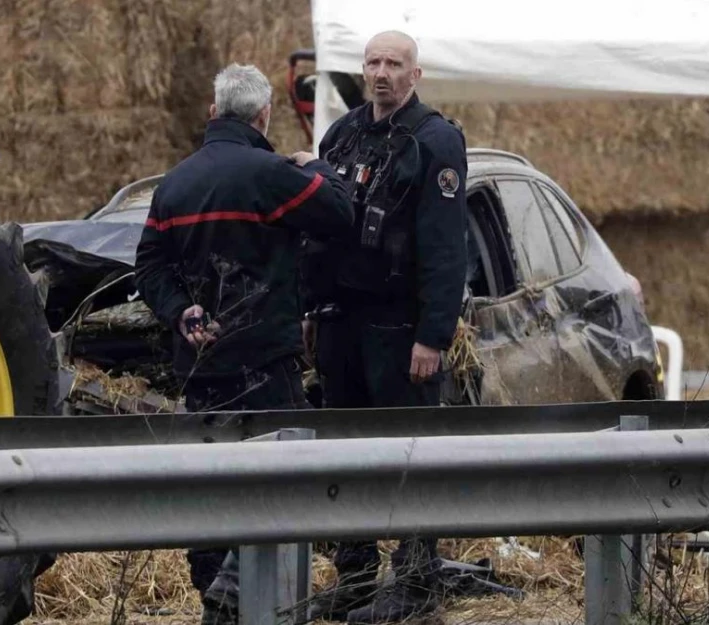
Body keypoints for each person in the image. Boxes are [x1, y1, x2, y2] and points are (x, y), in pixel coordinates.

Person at [133, 63, 354, 625]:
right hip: (265, 362)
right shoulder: (272, 174)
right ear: (264, 115)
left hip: (201, 366)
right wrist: (320, 167)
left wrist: (180, 309)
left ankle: (216, 590)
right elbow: (340, 213)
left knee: (212, 485)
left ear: (212, 112)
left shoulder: (174, 184)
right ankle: (236, 594)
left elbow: (149, 268)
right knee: (284, 479)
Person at [301, 30, 469, 625]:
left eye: (394, 64)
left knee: (407, 454)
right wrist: (311, 311)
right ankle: (355, 578)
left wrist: (433, 334)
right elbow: (318, 232)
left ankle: (418, 579)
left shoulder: (435, 141)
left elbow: (448, 249)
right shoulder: (342, 135)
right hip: (342, 323)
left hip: (401, 328)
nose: (381, 73)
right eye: (373, 62)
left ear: (414, 75)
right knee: (348, 456)